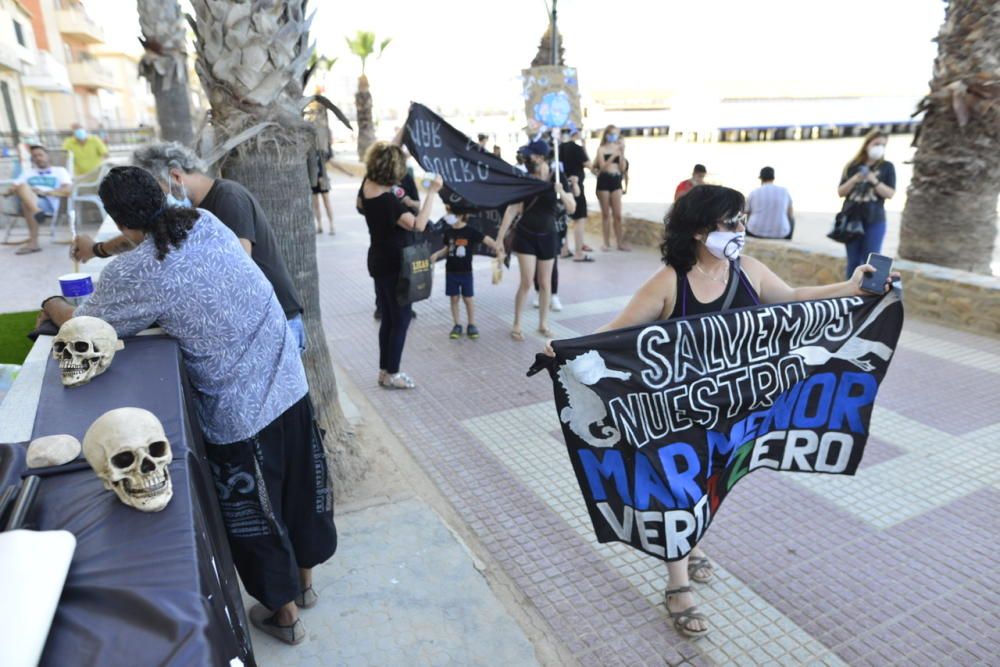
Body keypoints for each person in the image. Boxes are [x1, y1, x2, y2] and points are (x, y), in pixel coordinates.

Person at [544, 184, 896, 638]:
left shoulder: (748, 269)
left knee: (704, 490)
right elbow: (615, 335)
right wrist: (567, 350)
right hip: (675, 418)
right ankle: (678, 585)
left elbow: (792, 298)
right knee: (675, 494)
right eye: (730, 223)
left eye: (742, 221)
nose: (740, 231)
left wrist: (850, 288)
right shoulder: (669, 282)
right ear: (697, 230)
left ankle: (688, 546)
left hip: (729, 416)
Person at [38, 166, 337, 646]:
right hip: (286, 375)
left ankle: (283, 617)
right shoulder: (203, 221)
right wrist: (110, 248)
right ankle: (305, 588)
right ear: (162, 192)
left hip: (239, 407)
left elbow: (85, 325)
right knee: (302, 486)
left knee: (256, 515)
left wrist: (53, 302)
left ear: (117, 220)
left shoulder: (138, 271)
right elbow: (151, 234)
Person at [71, 142, 308, 352]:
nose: (151, 201)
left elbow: (236, 268)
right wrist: (97, 249)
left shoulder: (225, 201)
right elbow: (145, 237)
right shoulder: (190, 217)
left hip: (277, 323)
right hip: (250, 328)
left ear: (175, 177)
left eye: (156, 191)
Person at [358, 139, 442, 388]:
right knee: (401, 319)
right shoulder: (388, 201)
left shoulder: (367, 186)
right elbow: (418, 224)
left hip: (378, 260)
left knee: (389, 319)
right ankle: (392, 373)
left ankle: (384, 371)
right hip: (396, 264)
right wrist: (431, 193)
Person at [496, 140, 577, 341]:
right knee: (526, 282)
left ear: (540, 157)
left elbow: (572, 207)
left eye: (530, 156)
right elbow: (512, 209)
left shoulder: (557, 178)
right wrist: (499, 238)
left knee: (545, 282)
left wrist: (560, 191)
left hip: (548, 237)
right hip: (526, 236)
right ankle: (517, 323)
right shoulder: (526, 180)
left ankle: (543, 323)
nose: (527, 159)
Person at [430, 208, 498, 339]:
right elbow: (447, 248)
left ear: (460, 215)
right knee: (454, 298)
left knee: (468, 299)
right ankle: (457, 325)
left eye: (450, 213)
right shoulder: (448, 232)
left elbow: (486, 239)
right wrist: (437, 254)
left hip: (466, 272)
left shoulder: (470, 231)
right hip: (451, 272)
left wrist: (497, 247)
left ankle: (471, 324)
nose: (447, 216)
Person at [837, 130, 896, 278]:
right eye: (877, 144)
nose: (879, 147)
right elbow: (840, 192)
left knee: (872, 262)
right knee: (853, 262)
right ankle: (849, 295)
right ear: (867, 144)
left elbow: (889, 194)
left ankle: (869, 295)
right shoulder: (852, 166)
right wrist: (854, 180)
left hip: (874, 220)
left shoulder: (887, 167)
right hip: (852, 220)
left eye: (883, 145)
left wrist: (873, 180)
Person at [6, 145, 72, 255]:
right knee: (23, 189)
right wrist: (24, 190)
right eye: (35, 156)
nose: (38, 158)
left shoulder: (60, 171)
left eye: (40, 155)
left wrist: (44, 192)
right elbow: (12, 188)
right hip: (30, 201)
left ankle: (33, 243)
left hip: (49, 202)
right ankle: (37, 211)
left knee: (26, 201)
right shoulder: (28, 172)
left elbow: (68, 190)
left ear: (47, 156)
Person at [559, 129, 594, 262]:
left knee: (564, 220)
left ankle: (564, 249)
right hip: (576, 186)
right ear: (576, 133)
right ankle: (579, 252)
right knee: (579, 219)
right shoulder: (577, 148)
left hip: (562, 188)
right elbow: (590, 165)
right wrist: (584, 146)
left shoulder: (558, 149)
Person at [592, 125, 629, 251]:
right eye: (611, 133)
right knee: (606, 214)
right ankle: (606, 242)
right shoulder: (601, 149)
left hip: (616, 180)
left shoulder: (619, 148)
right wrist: (614, 155)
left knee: (618, 214)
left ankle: (620, 242)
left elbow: (623, 168)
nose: (613, 136)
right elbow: (602, 166)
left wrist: (622, 153)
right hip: (604, 180)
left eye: (616, 134)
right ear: (607, 134)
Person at [307, 105, 335, 235]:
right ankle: (319, 225)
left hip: (322, 176)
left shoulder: (323, 146)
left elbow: (330, 155)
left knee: (326, 201)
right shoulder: (309, 148)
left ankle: (331, 225)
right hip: (313, 178)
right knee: (316, 203)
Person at [746, 166, 794, 239]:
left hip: (754, 232)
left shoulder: (754, 192)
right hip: (781, 233)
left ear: (761, 178)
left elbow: (747, 212)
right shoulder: (784, 191)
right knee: (792, 219)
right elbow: (790, 213)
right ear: (773, 178)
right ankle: (787, 242)